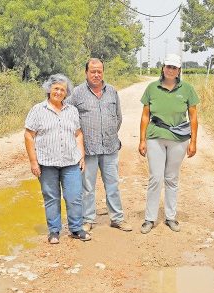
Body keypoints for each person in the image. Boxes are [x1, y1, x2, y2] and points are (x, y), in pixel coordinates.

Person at [24, 74, 91, 244]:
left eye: (63, 89)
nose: (59, 92)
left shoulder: (72, 111)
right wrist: (33, 162)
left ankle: (76, 229)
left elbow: (78, 134)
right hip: (46, 163)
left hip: (70, 162)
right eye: (56, 88)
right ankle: (54, 231)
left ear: (66, 93)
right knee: (51, 197)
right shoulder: (38, 110)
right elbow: (29, 135)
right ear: (49, 90)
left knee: (74, 196)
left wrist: (81, 155)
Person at [68, 58, 132, 232]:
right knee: (87, 187)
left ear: (103, 72)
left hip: (110, 147)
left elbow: (118, 118)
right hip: (87, 150)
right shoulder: (77, 93)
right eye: (92, 71)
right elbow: (69, 119)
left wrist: (110, 133)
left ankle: (117, 218)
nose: (96, 74)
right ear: (86, 73)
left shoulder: (112, 91)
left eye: (99, 71)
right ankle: (88, 220)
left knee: (113, 185)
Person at [138, 53, 199, 234]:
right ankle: (150, 218)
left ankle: (171, 217)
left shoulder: (187, 89)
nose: (170, 70)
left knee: (172, 178)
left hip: (179, 139)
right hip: (155, 136)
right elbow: (145, 115)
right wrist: (142, 139)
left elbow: (193, 116)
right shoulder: (152, 88)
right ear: (163, 68)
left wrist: (194, 141)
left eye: (174, 67)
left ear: (179, 70)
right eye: (168, 67)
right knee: (155, 178)